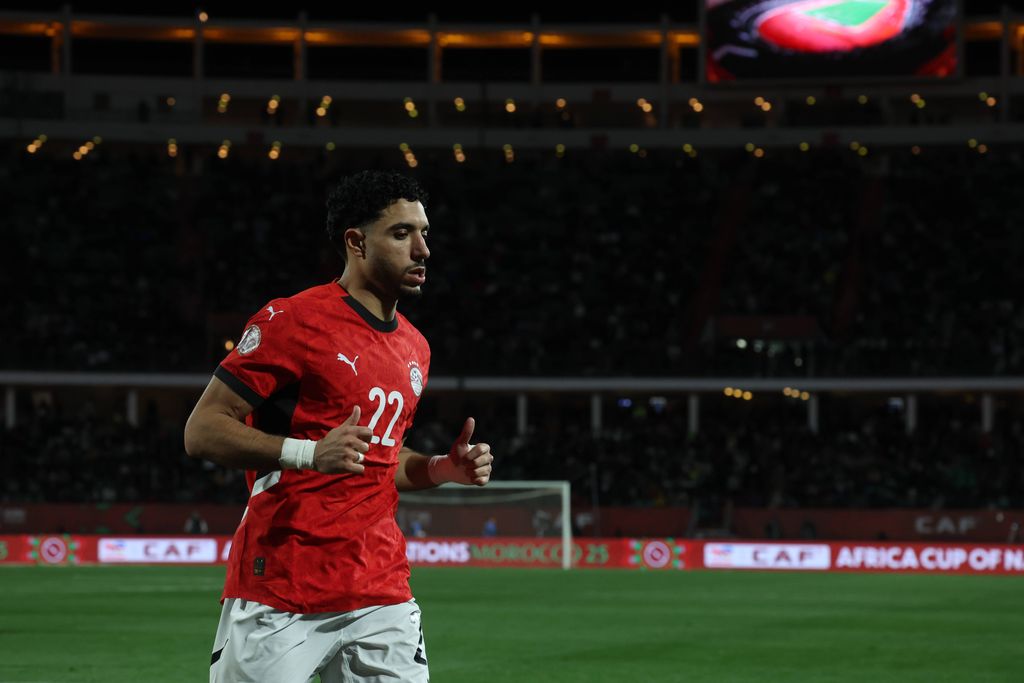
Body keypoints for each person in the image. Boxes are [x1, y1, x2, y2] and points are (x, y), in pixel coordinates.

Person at [183, 170, 494, 682]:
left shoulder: (416, 347)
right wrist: (307, 453)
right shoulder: (292, 320)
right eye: (401, 233)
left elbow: (379, 459)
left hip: (381, 589)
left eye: (425, 233)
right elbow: (202, 430)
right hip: (283, 588)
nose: (423, 250)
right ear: (356, 241)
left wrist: (440, 468)